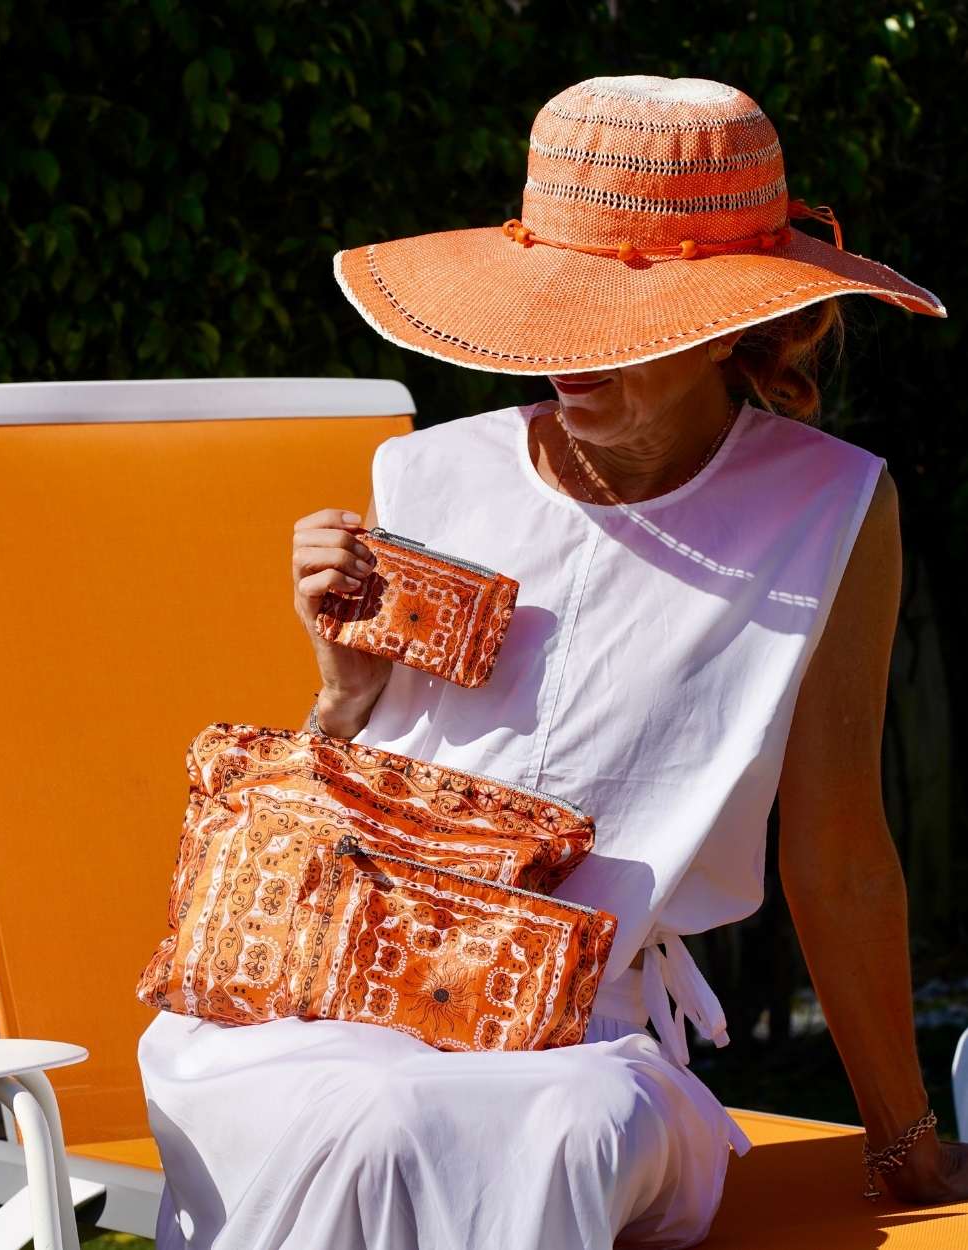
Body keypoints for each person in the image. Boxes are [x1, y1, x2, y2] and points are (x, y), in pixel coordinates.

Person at [138, 75, 965, 1248]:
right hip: (335, 999)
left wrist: (899, 1141)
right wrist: (341, 693)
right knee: (363, 1107)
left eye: (604, 321)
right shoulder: (427, 478)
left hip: (583, 1040)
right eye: (547, 309)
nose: (561, 356)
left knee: (563, 1126)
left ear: (724, 328)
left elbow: (834, 850)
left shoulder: (828, 508)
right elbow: (347, 805)